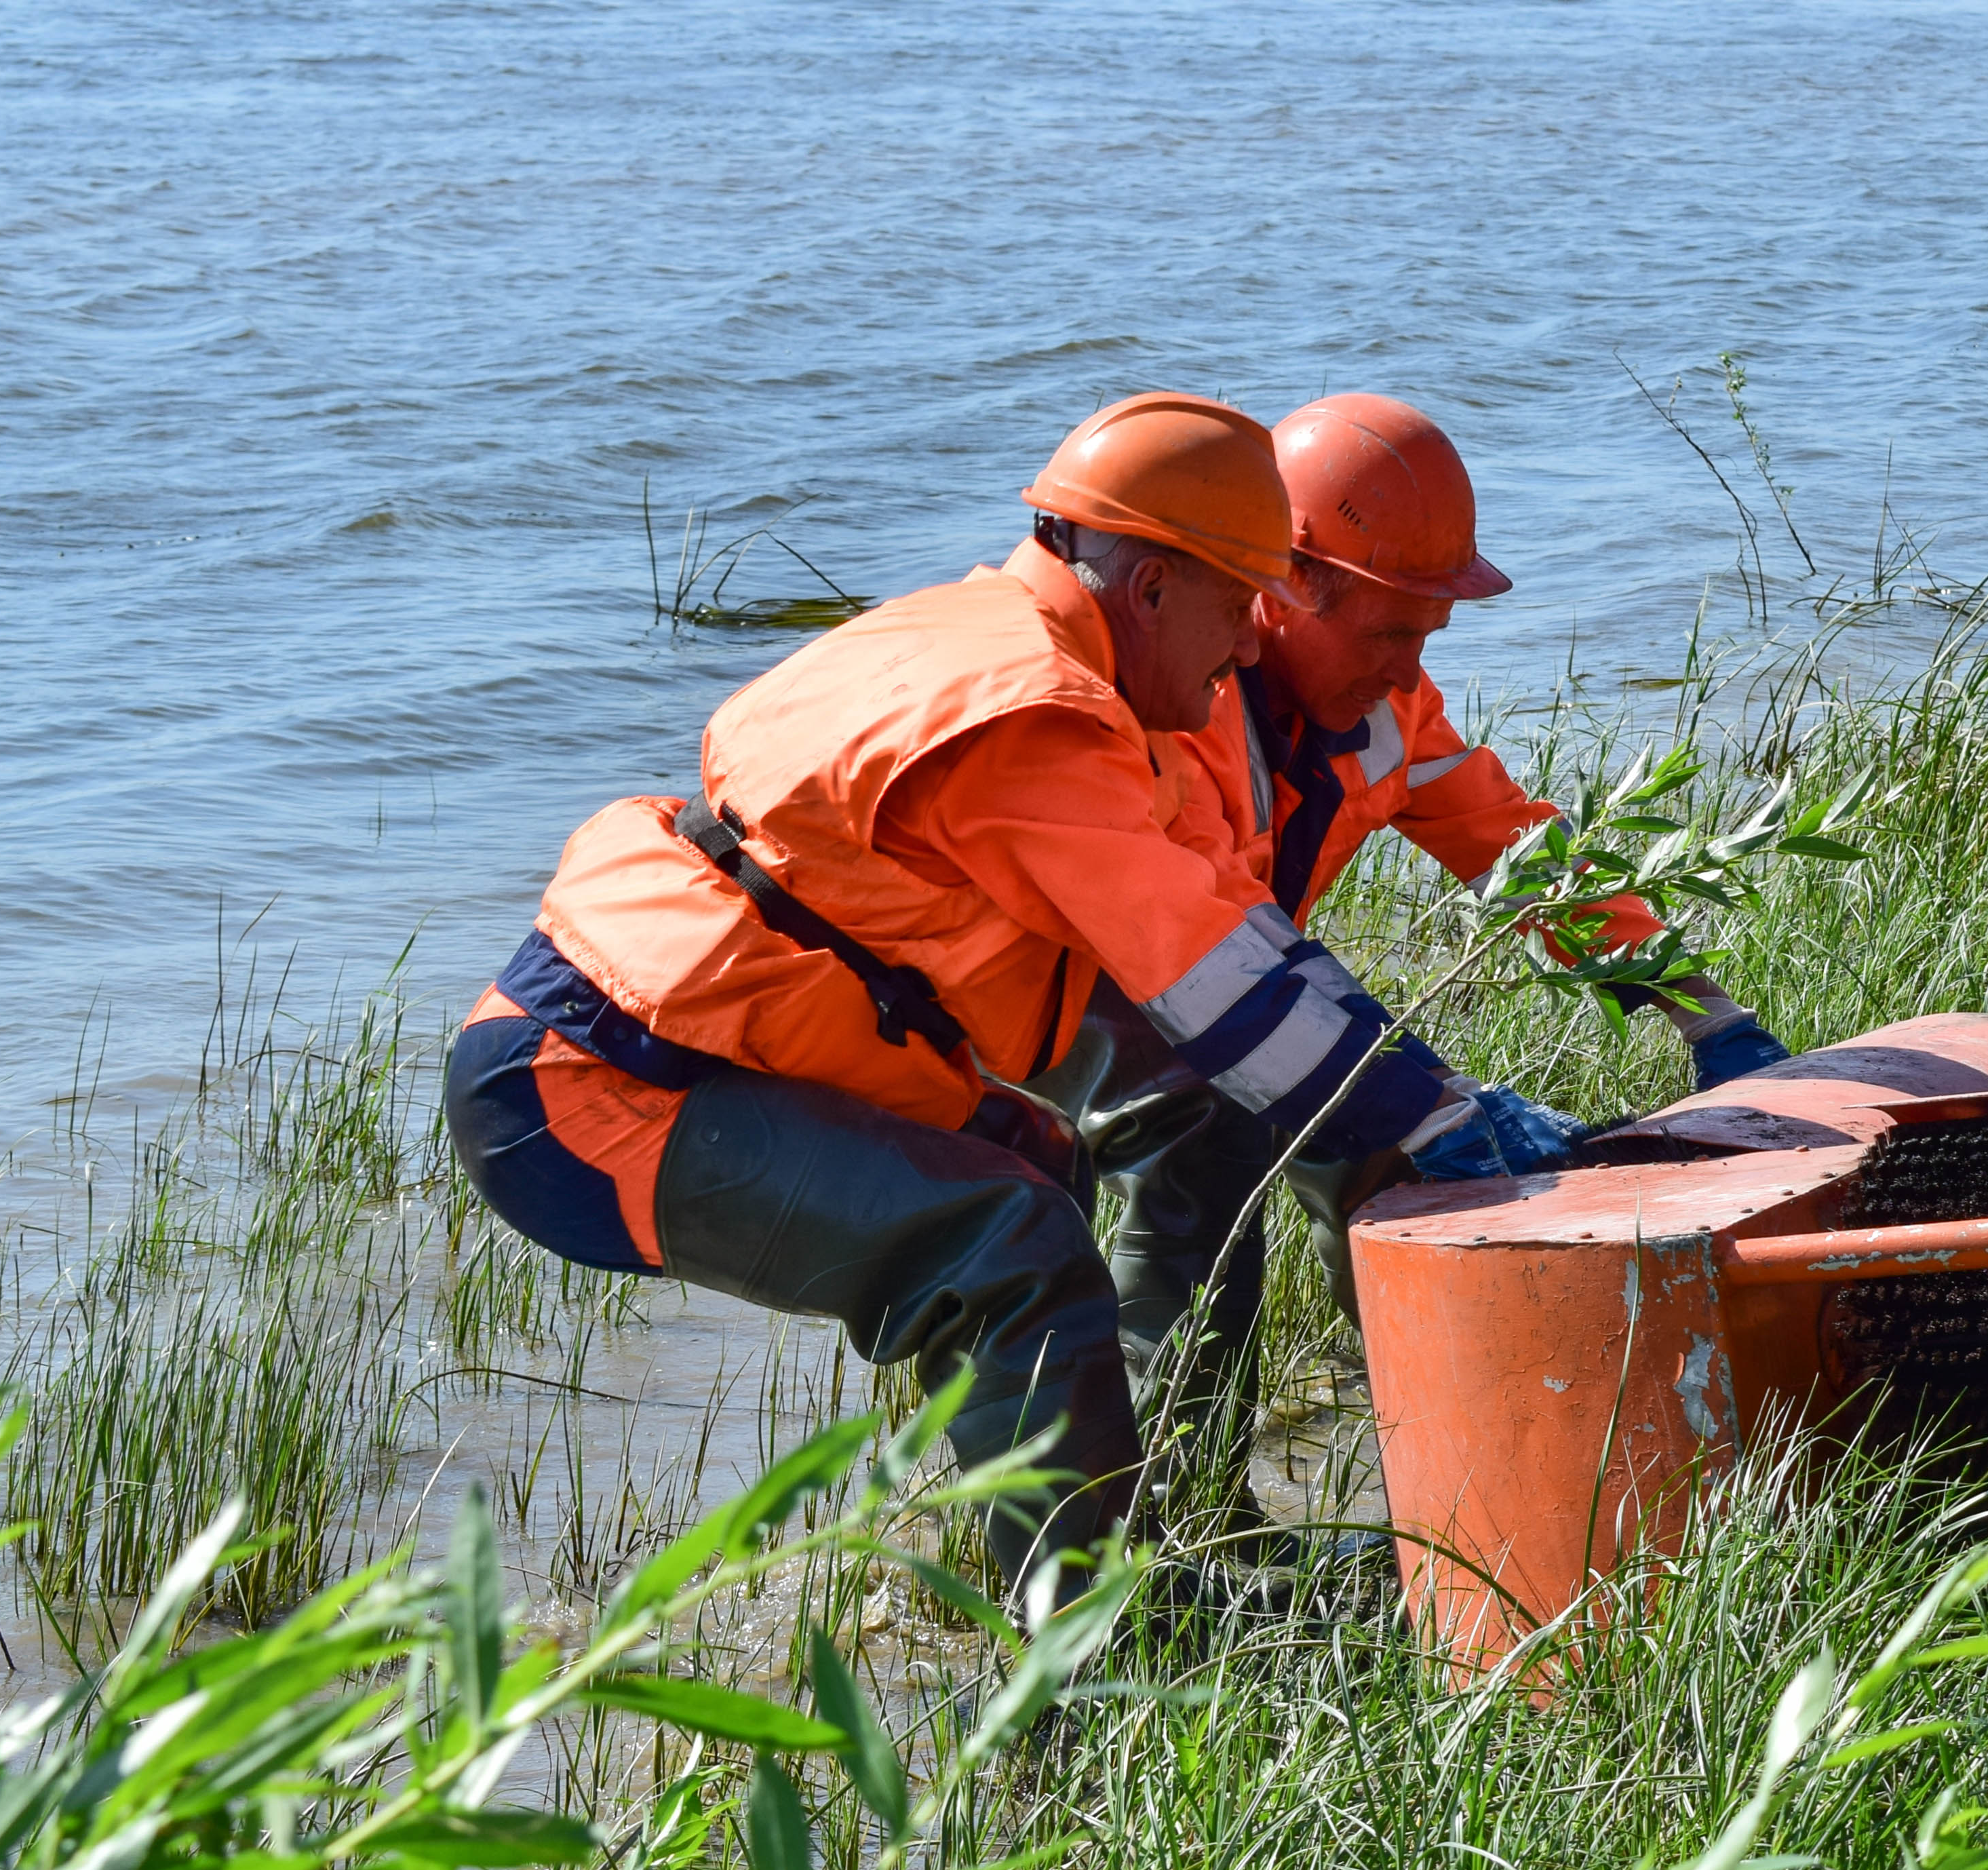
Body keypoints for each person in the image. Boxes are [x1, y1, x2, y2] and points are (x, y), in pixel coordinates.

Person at [437, 393, 1621, 1605]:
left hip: (696, 1045)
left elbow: (1225, 924)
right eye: (1237, 603)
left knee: (1140, 1138)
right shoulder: (1028, 715)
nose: (1255, 642)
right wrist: (1434, 1118)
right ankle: (1102, 1676)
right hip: (588, 1090)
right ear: (1151, 586)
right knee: (1008, 1245)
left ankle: (1164, 1540)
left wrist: (1440, 1092)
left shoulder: (1064, 671)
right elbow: (1218, 977)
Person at [1093, 391, 1794, 1437]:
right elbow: (1211, 956)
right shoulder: (1176, 711)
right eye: (1389, 629)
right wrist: (1424, 1088)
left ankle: (1445, 1444)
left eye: (1429, 631)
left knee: (1390, 1153)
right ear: (1285, 585)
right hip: (1090, 997)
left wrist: (1708, 1016)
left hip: (1231, 977)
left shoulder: (1388, 709)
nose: (1411, 665)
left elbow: (1521, 856)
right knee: (1207, 1157)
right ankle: (1164, 1538)